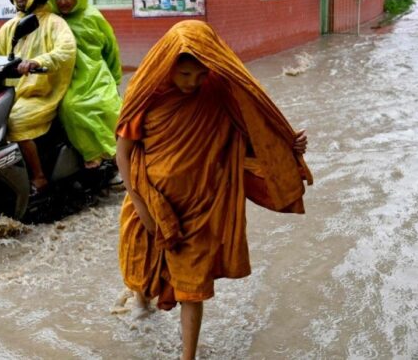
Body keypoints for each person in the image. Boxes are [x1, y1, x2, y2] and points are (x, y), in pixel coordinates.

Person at [116, 20, 312, 360]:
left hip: (201, 206)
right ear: (167, 66)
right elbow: (123, 152)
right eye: (185, 75)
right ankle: (141, 308)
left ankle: (187, 357)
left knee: (192, 288)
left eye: (200, 75)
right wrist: (141, 206)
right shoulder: (147, 95)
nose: (193, 83)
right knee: (143, 270)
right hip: (149, 200)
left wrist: (288, 148)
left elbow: (250, 139)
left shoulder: (220, 92)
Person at [0, 0, 76, 194]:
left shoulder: (53, 22)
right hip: (13, 94)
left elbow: (66, 50)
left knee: (15, 121)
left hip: (41, 93)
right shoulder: (10, 25)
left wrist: (37, 62)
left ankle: (39, 177)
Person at [49, 0, 123, 171]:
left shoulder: (93, 17)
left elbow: (110, 47)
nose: (63, 1)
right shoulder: (53, 20)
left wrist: (115, 77)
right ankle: (91, 152)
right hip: (68, 76)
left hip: (95, 73)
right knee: (70, 107)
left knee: (109, 107)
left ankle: (118, 153)